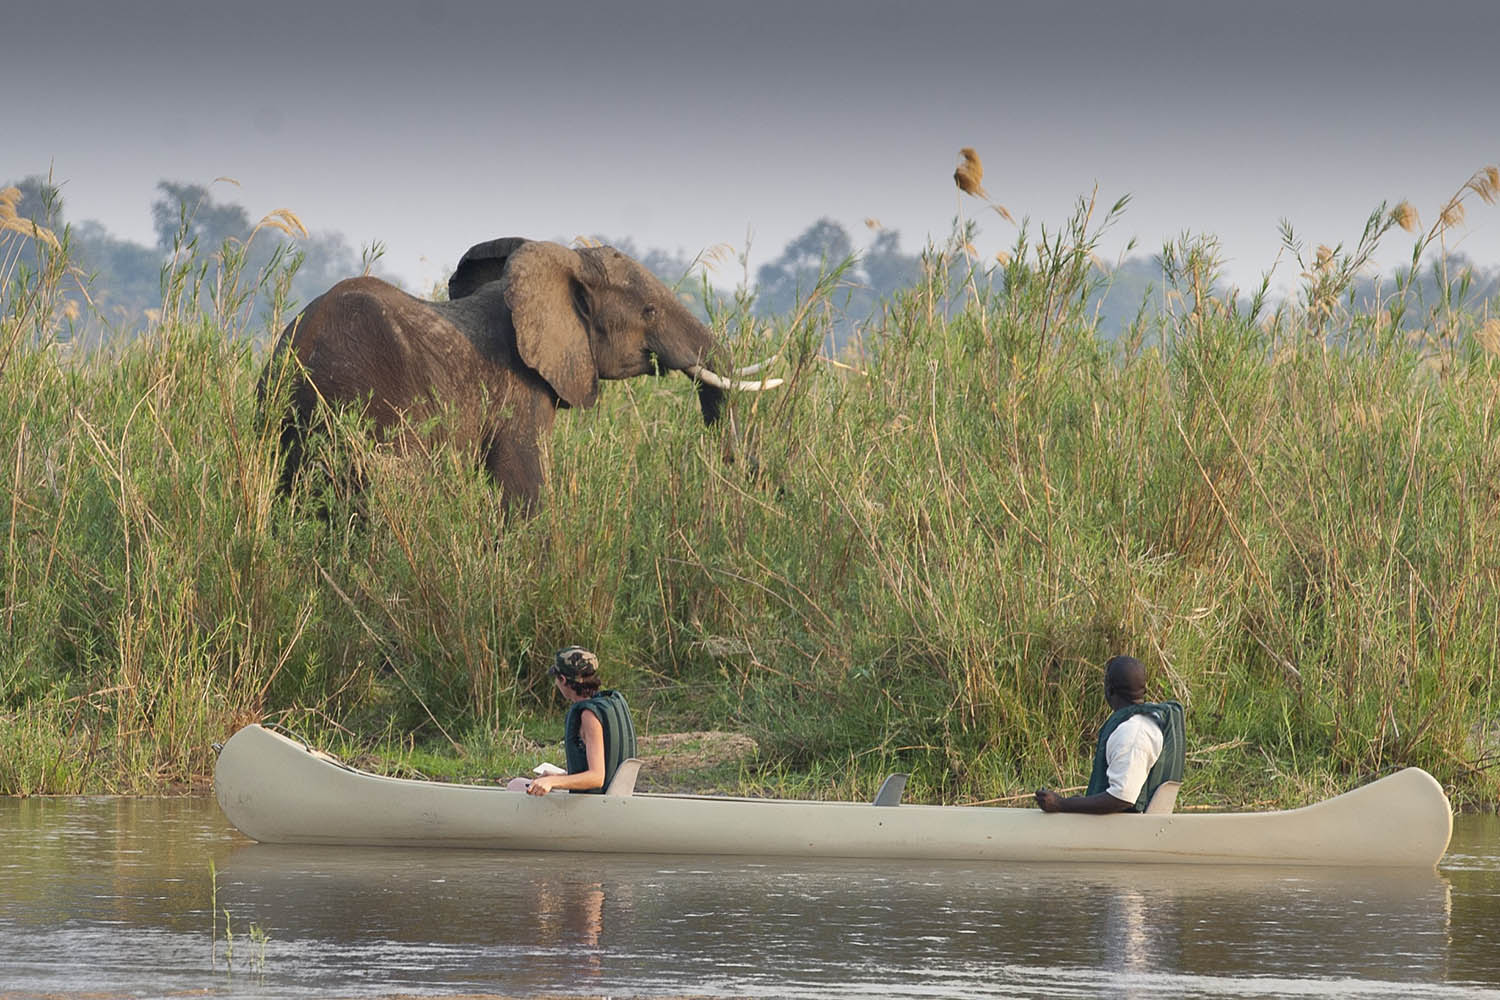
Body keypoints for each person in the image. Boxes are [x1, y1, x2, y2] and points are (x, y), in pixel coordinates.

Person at [1035, 655, 1184, 814]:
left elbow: (1121, 798)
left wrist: (1061, 804)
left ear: (1109, 689)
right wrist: (1081, 802)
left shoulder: (1133, 733)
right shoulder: (1149, 722)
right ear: (1144, 690)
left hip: (1127, 832)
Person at [524, 646, 637, 796]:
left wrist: (551, 782)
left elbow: (597, 777)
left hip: (593, 805)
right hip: (612, 798)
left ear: (563, 680)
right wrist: (558, 777)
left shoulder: (589, 715)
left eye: (557, 679)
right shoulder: (610, 703)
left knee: (514, 785)